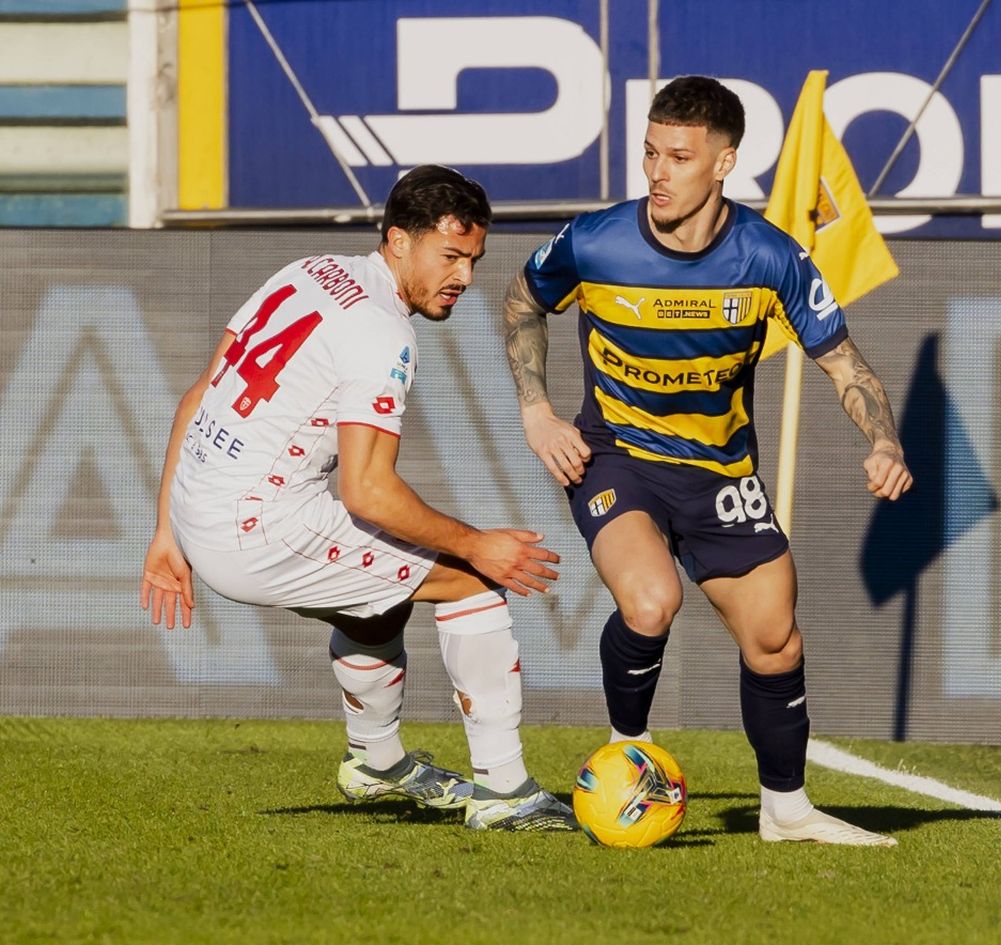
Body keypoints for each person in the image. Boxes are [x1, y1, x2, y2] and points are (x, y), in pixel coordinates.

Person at [503, 77, 912, 846]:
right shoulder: (595, 239)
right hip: (616, 456)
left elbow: (846, 365)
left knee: (775, 639)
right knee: (651, 601)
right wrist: (536, 409)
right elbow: (522, 299)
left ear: (723, 164)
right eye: (650, 153)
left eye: (679, 157)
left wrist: (883, 441)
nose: (657, 171)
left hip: (721, 473)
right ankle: (627, 753)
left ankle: (786, 810)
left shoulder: (770, 257)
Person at [140, 165, 576, 832]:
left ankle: (376, 763)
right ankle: (506, 790)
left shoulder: (307, 270)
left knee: (381, 593)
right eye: (450, 255)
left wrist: (167, 530)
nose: (464, 276)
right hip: (259, 524)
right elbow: (368, 490)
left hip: (201, 506)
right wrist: (476, 544)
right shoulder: (382, 331)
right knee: (470, 581)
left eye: (474, 259)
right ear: (398, 240)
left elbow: (200, 393)